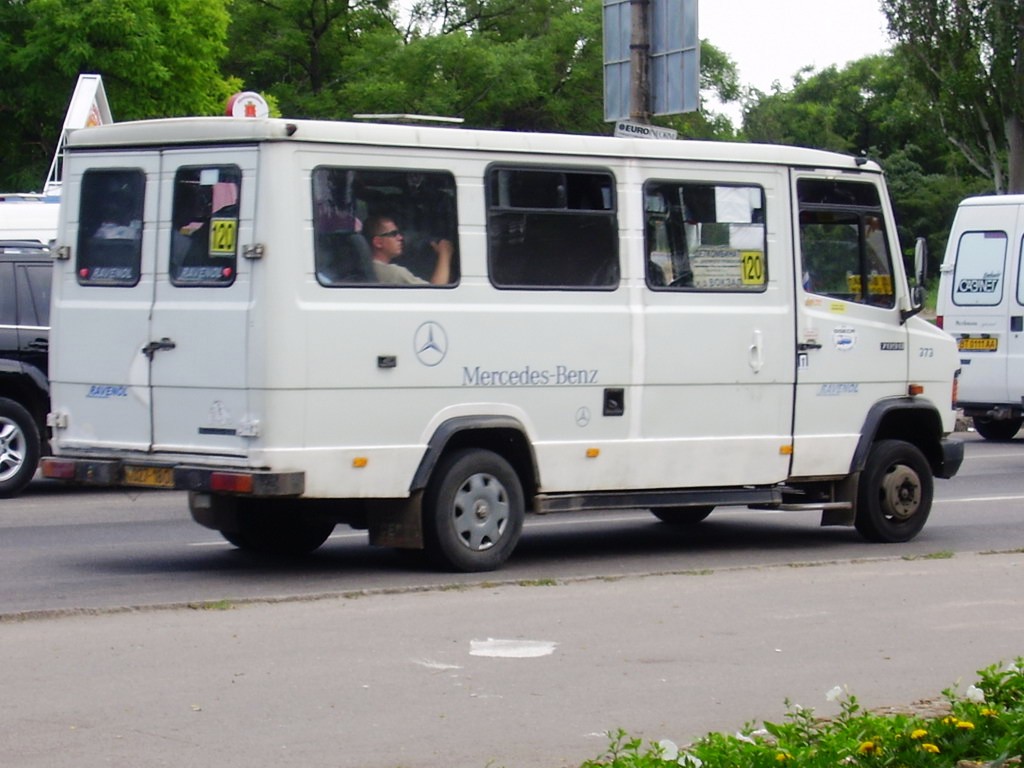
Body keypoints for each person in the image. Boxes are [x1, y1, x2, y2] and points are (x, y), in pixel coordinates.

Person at [364, 215, 453, 285]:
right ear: (378, 242)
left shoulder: (366, 268)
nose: (400, 238)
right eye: (394, 234)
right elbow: (436, 292)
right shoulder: (394, 273)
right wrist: (445, 253)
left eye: (399, 233)